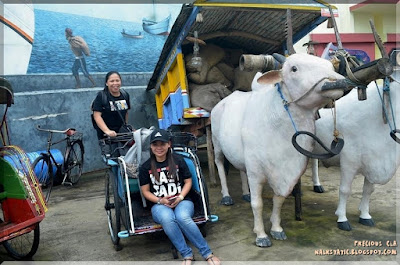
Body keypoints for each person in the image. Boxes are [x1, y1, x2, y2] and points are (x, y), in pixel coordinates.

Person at [139, 129, 221, 265]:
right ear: (151, 147)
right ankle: (187, 255)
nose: (159, 148)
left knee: (182, 217)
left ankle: (207, 253)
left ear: (169, 144)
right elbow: (145, 191)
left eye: (162, 144)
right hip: (159, 204)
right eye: (155, 145)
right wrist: (161, 200)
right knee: (168, 219)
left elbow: (188, 182)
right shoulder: (145, 167)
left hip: (183, 200)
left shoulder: (178, 160)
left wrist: (181, 197)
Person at [92, 71, 131, 140]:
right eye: (112, 81)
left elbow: (126, 112)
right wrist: (107, 131)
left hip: (122, 133)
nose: (115, 83)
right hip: (106, 136)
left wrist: (125, 126)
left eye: (117, 80)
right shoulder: (102, 96)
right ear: (107, 83)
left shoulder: (125, 95)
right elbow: (97, 116)